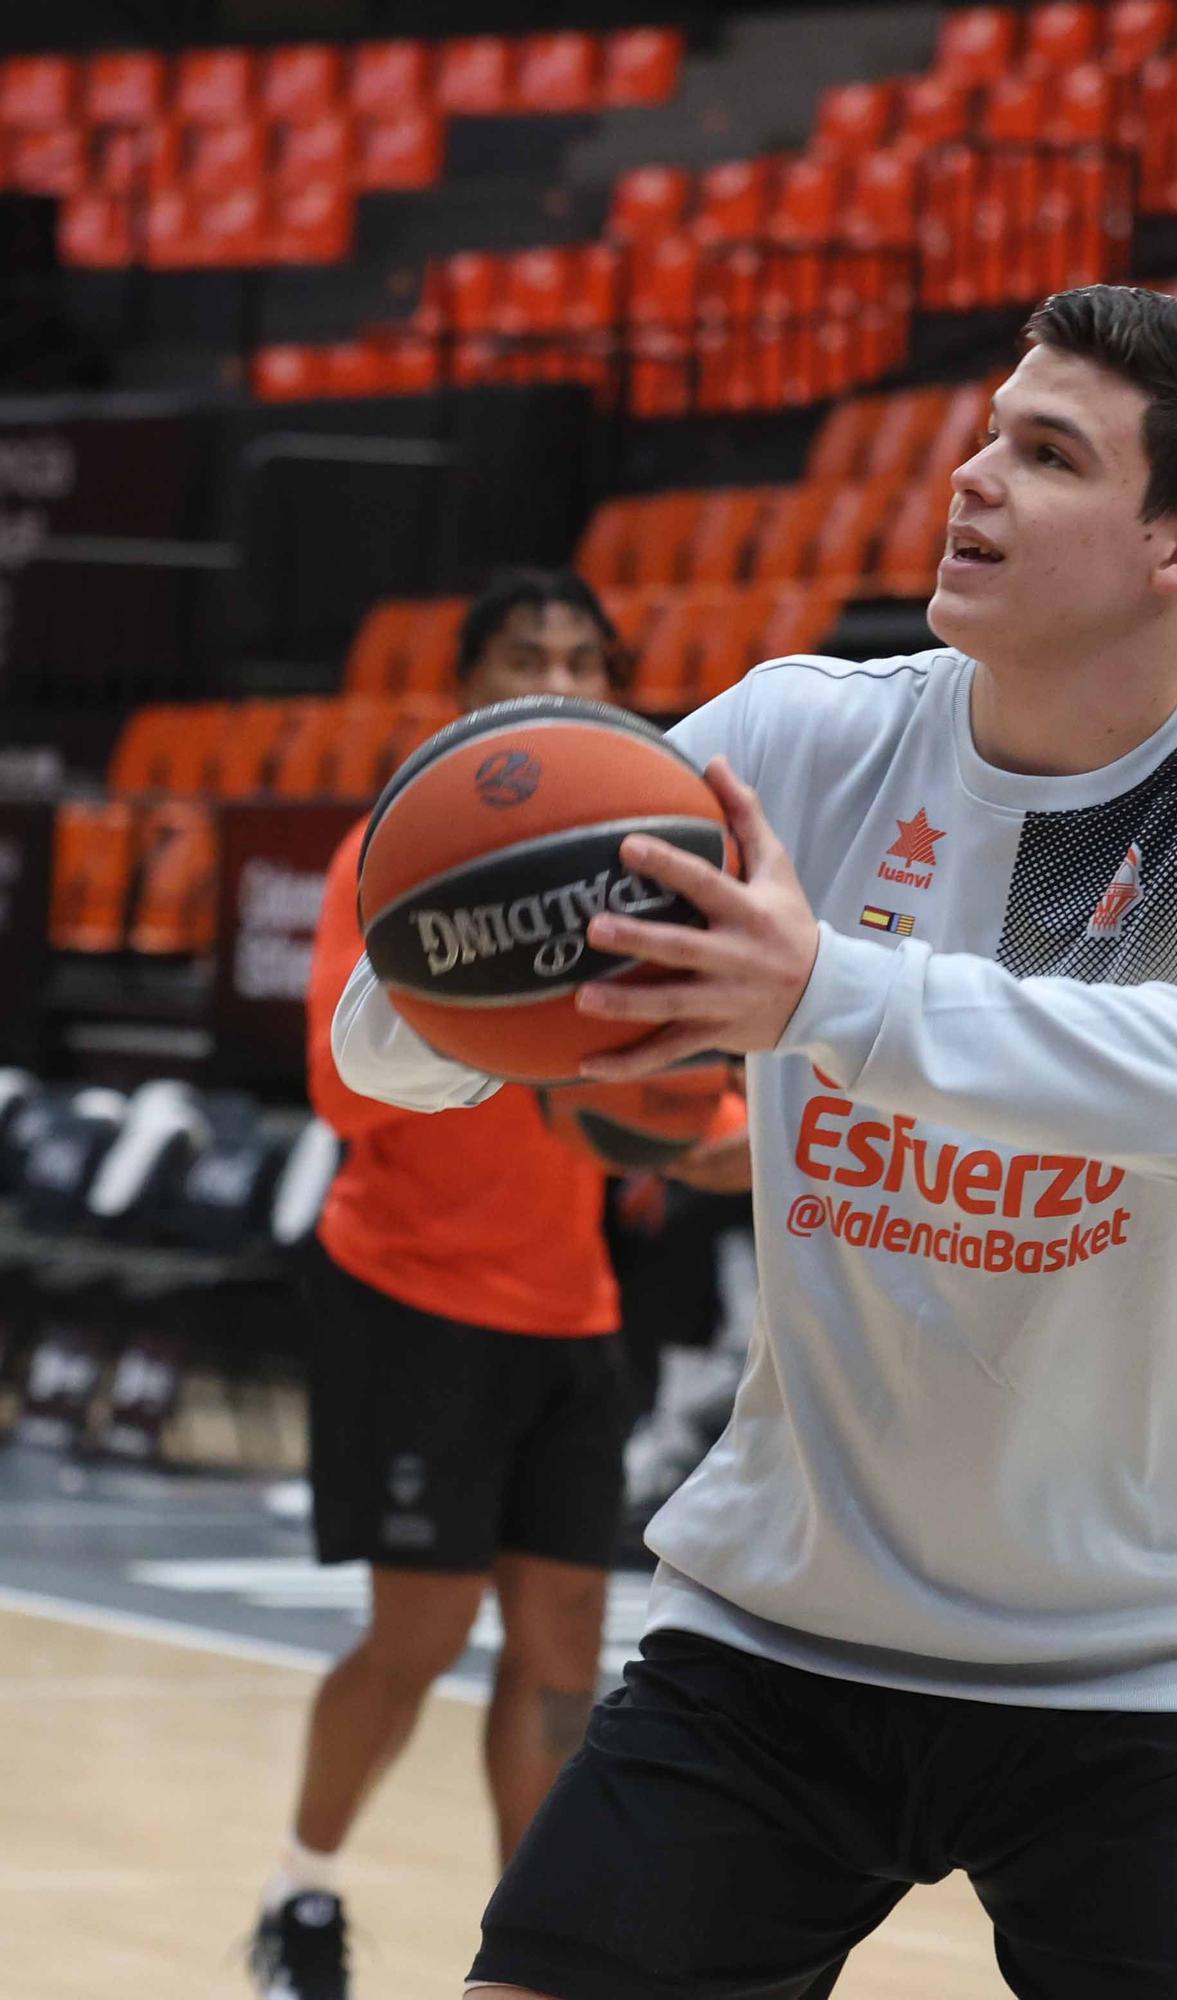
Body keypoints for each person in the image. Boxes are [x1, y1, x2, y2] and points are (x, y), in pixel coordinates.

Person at [334, 287, 1177, 2000]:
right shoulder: (797, 740)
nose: (969, 477)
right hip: (778, 1629)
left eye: (1044, 456)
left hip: (1137, 1663)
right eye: (987, 431)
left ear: (1176, 547)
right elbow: (393, 1057)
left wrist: (825, 990)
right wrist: (447, 987)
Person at [251, 571, 746, 2000]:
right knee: (416, 1636)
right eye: (528, 656)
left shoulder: (627, 873)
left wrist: (723, 1144)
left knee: (563, 1648)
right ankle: (302, 1893)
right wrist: (563, 1084)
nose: (560, 677)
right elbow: (356, 1087)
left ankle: (534, 1955)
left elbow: (676, 1090)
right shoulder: (403, 861)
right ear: (468, 688)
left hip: (568, 1308)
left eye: (586, 658)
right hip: (407, 1290)